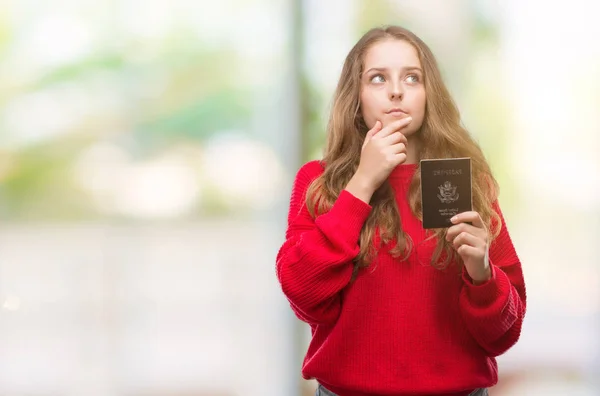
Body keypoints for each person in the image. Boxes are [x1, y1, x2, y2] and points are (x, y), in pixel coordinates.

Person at [275, 25, 526, 396]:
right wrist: (362, 183)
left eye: (412, 77)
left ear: (429, 94)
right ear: (356, 97)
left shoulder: (469, 184)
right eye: (378, 78)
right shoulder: (319, 182)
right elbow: (303, 293)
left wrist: (481, 273)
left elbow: (504, 334)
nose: (396, 90)